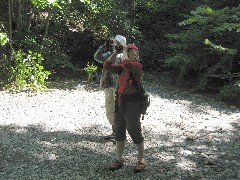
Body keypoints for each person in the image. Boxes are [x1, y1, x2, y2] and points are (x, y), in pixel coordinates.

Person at [103, 43, 147, 173]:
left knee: (134, 131)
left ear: (136, 55)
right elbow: (106, 65)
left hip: (133, 105)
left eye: (131, 51)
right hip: (120, 103)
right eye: (128, 51)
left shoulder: (137, 66)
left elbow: (127, 63)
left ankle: (141, 159)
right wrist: (116, 52)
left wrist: (124, 50)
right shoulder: (122, 68)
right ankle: (119, 159)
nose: (127, 52)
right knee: (119, 131)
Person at [94, 35, 127, 140]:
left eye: (116, 42)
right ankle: (114, 132)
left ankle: (120, 134)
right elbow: (97, 57)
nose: (114, 44)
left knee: (119, 110)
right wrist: (104, 45)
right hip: (109, 85)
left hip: (120, 87)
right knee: (110, 110)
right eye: (114, 42)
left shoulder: (125, 56)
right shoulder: (110, 55)